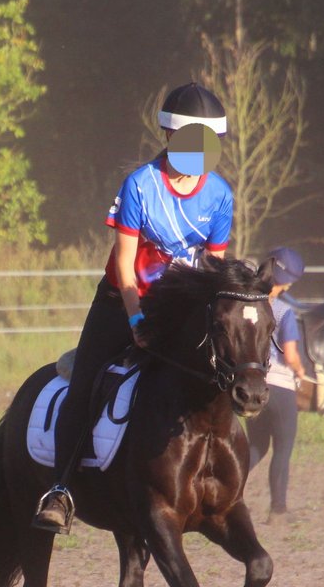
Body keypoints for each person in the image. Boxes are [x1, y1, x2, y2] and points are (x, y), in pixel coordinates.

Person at [33, 82, 234, 533]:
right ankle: (61, 491)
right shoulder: (141, 185)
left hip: (179, 308)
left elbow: (213, 268)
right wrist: (137, 320)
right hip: (122, 302)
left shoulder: (220, 195)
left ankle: (217, 475)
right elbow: (125, 266)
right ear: (170, 138)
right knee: (85, 382)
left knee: (220, 374)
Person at [246, 247, 306, 523]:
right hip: (280, 386)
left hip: (254, 384)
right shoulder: (283, 311)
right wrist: (301, 370)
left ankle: (223, 491)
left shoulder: (251, 304)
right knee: (283, 447)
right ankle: (278, 509)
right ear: (285, 279)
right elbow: (290, 355)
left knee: (256, 446)